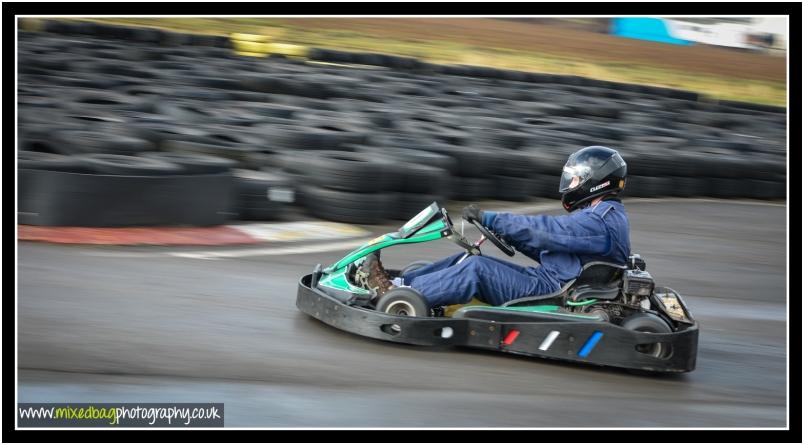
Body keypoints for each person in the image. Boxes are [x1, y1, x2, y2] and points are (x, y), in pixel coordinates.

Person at [362, 145, 631, 308]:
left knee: (476, 270)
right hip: (557, 279)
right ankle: (399, 285)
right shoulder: (601, 215)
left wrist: (494, 219)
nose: (570, 186)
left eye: (575, 180)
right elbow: (554, 248)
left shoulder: (599, 222)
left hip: (552, 290)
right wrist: (509, 235)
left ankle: (397, 296)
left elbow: (546, 230)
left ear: (594, 182)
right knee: (465, 259)